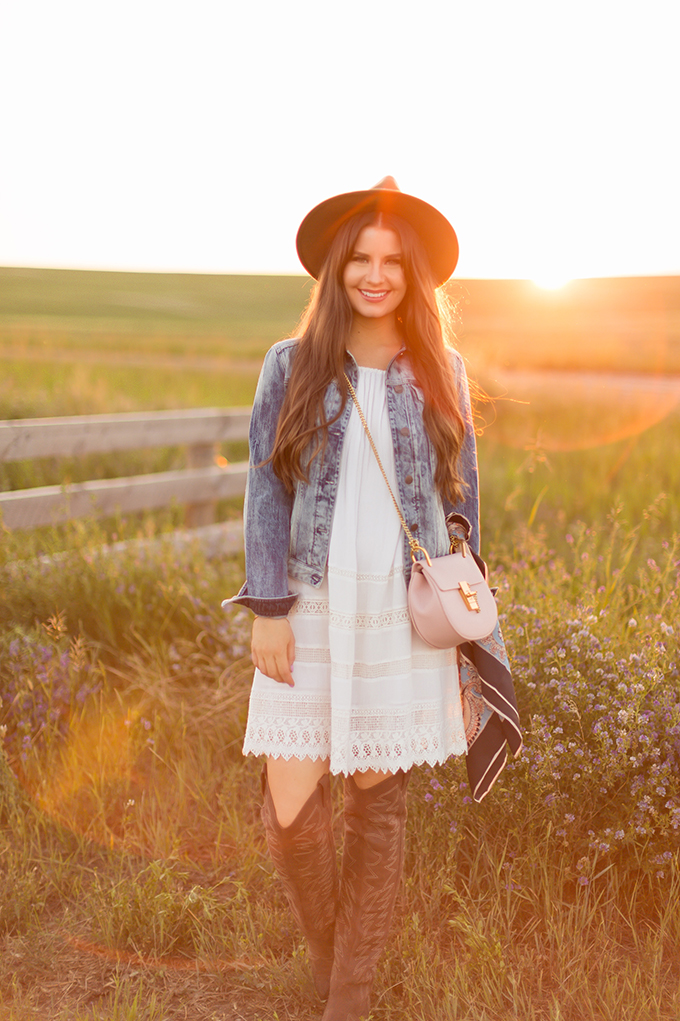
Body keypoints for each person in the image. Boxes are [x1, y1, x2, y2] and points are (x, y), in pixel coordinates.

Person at [224, 177, 515, 1021]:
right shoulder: (293, 363)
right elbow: (266, 490)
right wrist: (269, 608)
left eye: (392, 261)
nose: (376, 274)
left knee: (376, 804)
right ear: (337, 268)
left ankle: (348, 998)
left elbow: (460, 495)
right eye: (361, 258)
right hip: (311, 603)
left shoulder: (441, 369)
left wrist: (463, 600)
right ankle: (331, 961)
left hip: (396, 611)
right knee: (289, 804)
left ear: (413, 275)